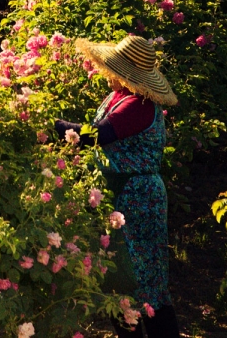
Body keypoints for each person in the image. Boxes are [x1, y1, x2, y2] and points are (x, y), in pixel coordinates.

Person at [54, 35, 181, 338]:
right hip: (118, 194)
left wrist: (51, 124)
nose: (106, 73)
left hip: (139, 199)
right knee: (117, 281)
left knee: (144, 281)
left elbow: (97, 135)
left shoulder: (139, 105)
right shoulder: (117, 96)